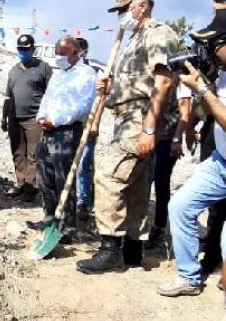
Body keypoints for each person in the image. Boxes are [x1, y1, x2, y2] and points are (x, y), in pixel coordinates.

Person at [76, 0, 178, 274]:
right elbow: (135, 83)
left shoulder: (158, 33)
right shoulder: (133, 39)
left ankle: (110, 250)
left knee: (108, 177)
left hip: (141, 118)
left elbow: (164, 81)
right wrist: (111, 88)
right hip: (127, 117)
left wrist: (149, 128)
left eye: (124, 8)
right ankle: (133, 249)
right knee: (134, 185)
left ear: (142, 5)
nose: (120, 15)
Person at [156, 13, 226, 298]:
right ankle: (189, 277)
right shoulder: (222, 71)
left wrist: (203, 90)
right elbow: (209, 110)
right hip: (221, 161)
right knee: (181, 206)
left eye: (214, 45)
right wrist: (202, 81)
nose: (209, 52)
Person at [34, 36, 96, 237]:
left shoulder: (86, 74)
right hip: (47, 129)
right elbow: (47, 97)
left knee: (64, 178)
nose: (58, 57)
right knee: (45, 176)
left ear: (75, 53)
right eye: (56, 53)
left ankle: (68, 226)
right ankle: (49, 218)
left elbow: (82, 106)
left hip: (67, 131)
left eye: (62, 54)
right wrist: (42, 117)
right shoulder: (58, 74)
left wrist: (57, 120)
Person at [2, 34, 53, 202]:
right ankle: (21, 183)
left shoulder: (43, 68)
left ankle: (31, 189)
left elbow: (52, 94)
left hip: (34, 118)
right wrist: (4, 118)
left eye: (26, 49)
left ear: (33, 49)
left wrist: (48, 117)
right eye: (20, 49)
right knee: (17, 152)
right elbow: (8, 97)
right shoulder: (13, 70)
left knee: (34, 154)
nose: (23, 52)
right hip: (14, 118)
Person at [144, 82, 193, 249]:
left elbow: (185, 111)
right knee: (143, 181)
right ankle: (139, 227)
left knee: (161, 184)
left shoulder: (180, 81)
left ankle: (158, 228)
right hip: (149, 138)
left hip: (167, 140)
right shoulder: (154, 76)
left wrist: (177, 139)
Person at [75, 37, 101, 221]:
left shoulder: (95, 71)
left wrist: (95, 123)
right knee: (69, 164)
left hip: (87, 124)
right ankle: (70, 198)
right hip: (68, 125)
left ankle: (83, 201)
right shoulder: (66, 71)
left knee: (84, 164)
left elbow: (101, 99)